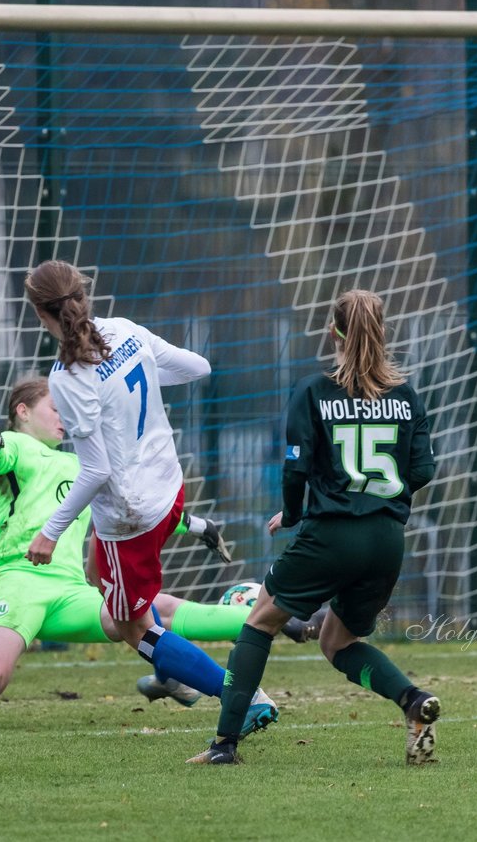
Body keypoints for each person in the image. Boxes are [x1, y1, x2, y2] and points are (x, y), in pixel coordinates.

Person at [0, 377, 308, 726]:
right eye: (55, 408)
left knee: (146, 609)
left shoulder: (80, 467)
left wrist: (200, 526)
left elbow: (135, 509)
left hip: (70, 592)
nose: (64, 418)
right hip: (15, 584)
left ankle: (276, 623)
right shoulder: (19, 445)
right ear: (22, 411)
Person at [19, 259, 278, 729]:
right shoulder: (123, 330)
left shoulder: (67, 376)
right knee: (99, 573)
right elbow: (198, 367)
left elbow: (95, 470)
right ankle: (171, 667)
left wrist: (50, 532)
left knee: (129, 627)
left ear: (41, 313)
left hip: (130, 515)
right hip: (169, 491)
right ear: (83, 296)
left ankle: (239, 695)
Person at [188, 288, 439, 766]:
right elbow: (423, 470)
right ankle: (412, 700)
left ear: (334, 333)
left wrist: (297, 513)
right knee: (338, 641)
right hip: (386, 540)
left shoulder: (314, 390)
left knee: (260, 621)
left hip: (332, 535)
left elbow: (295, 470)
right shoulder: (406, 396)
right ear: (383, 333)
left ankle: (224, 745)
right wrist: (377, 499)